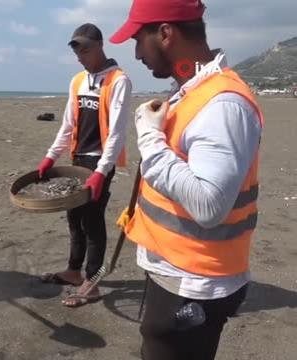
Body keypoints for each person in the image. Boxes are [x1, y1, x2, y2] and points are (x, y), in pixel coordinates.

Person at [109, 0, 264, 359]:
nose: (136, 53)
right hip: (178, 270)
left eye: (137, 39)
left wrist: (149, 138)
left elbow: (209, 205)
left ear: (165, 33)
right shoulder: (194, 91)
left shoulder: (223, 105)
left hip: (195, 283)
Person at [37, 23, 132, 307]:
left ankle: (92, 281)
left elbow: (116, 133)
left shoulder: (119, 80)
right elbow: (68, 124)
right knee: (74, 219)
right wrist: (51, 156)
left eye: (86, 50)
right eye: (77, 51)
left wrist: (102, 172)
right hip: (77, 159)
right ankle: (73, 271)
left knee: (92, 221)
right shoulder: (77, 80)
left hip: (100, 160)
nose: (81, 56)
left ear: (100, 47)